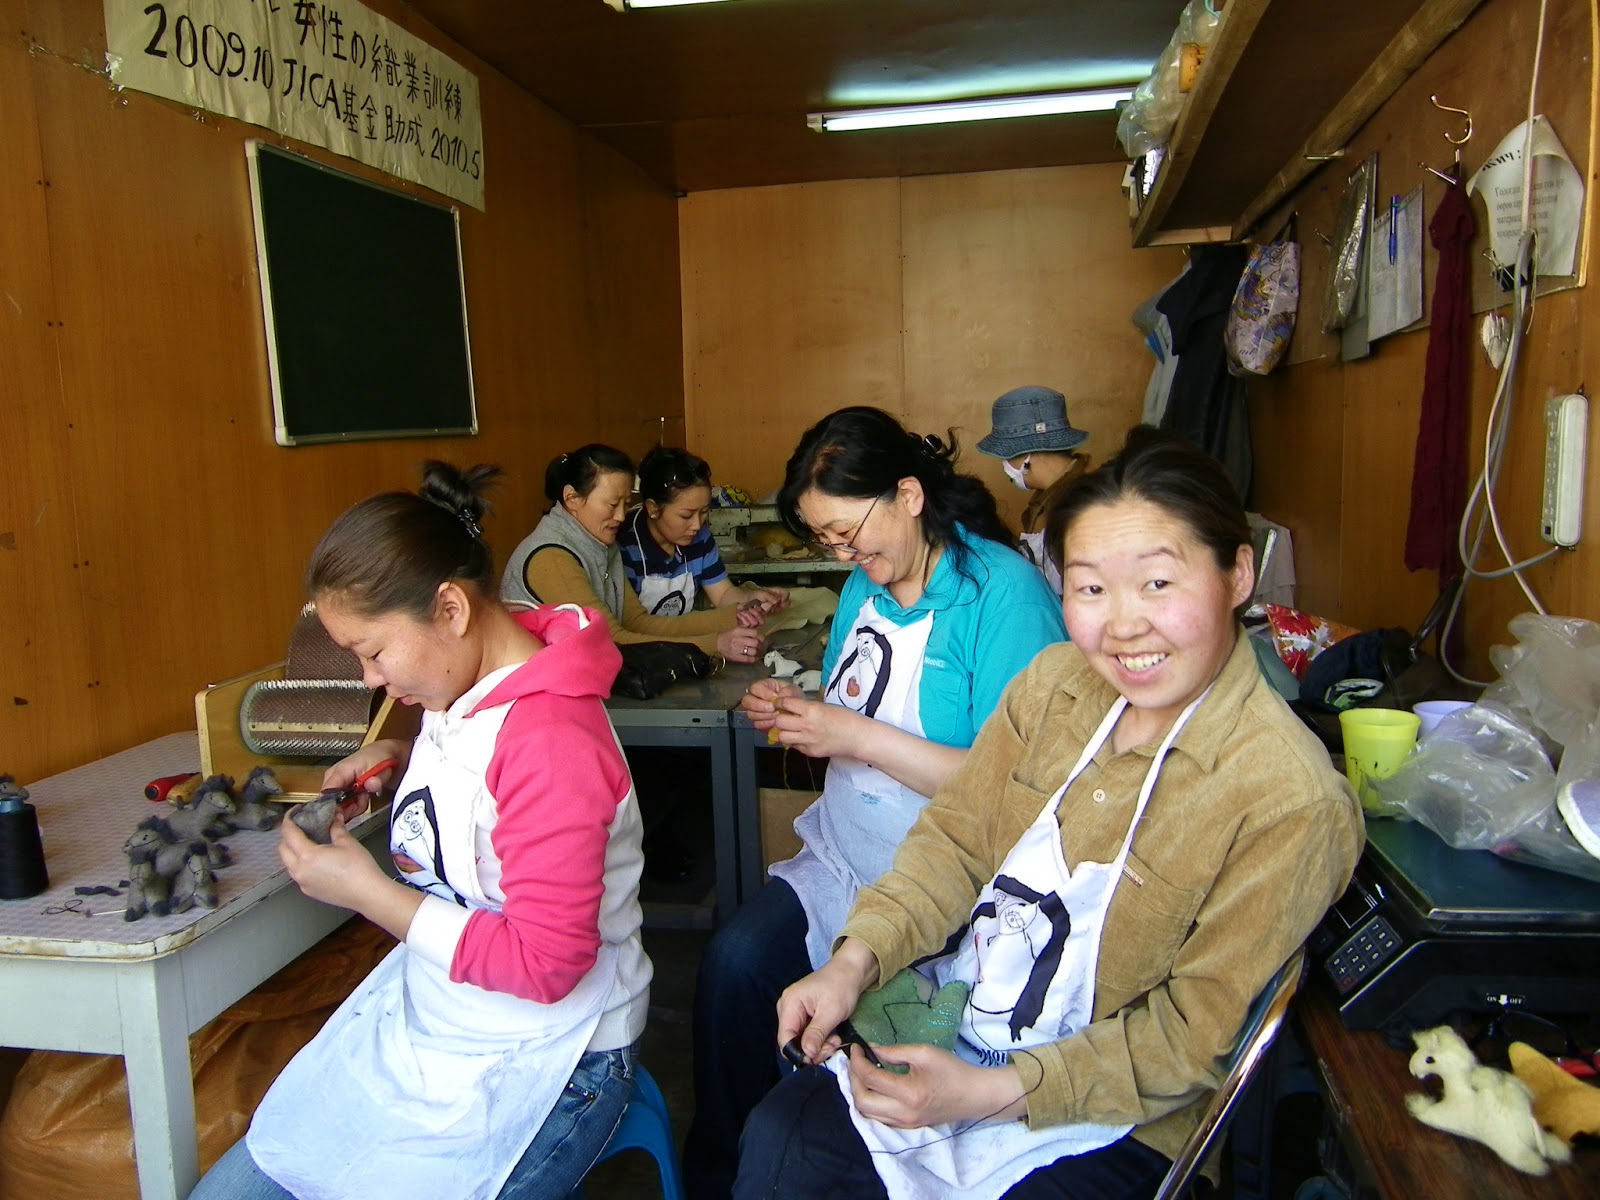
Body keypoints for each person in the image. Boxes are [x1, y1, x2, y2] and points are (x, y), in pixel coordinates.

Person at [734, 427, 1364, 1200]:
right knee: (783, 1139)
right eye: (1091, 589)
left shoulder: (1287, 798)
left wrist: (988, 1093)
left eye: (1157, 584)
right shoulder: (1055, 688)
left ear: (1237, 574)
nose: (1123, 625)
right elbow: (957, 842)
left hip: (1114, 1115)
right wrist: (853, 962)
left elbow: (1189, 1037)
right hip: (966, 1022)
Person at [189, 462, 652, 1200]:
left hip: (554, 1053)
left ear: (450, 609)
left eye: (373, 652)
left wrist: (369, 894)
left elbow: (545, 964)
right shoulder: (465, 680)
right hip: (444, 1022)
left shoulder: (552, 742)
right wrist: (401, 761)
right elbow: (488, 779)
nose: (370, 679)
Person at [684, 407, 1067, 1199]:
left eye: (847, 532)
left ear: (909, 495)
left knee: (849, 1075)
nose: (843, 554)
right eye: (825, 540)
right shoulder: (866, 584)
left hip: (956, 889)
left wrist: (851, 734)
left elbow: (1011, 789)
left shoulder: (1005, 597)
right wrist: (797, 714)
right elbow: (848, 703)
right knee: (735, 967)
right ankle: (720, 1175)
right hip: (844, 859)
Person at [501, 443, 766, 665]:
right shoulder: (552, 557)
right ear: (572, 499)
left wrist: (731, 616)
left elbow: (638, 623)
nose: (620, 516)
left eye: (626, 503)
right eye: (612, 504)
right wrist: (714, 645)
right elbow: (611, 640)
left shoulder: (601, 543)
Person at [621, 446, 789, 623]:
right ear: (653, 509)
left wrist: (752, 599)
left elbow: (722, 594)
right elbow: (632, 624)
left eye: (703, 512)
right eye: (686, 516)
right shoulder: (625, 545)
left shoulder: (699, 537)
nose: (696, 525)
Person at [976, 385, 1092, 596]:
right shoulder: (1047, 497)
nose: (1005, 464)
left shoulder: (1081, 502)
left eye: (1006, 456)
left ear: (1026, 454)